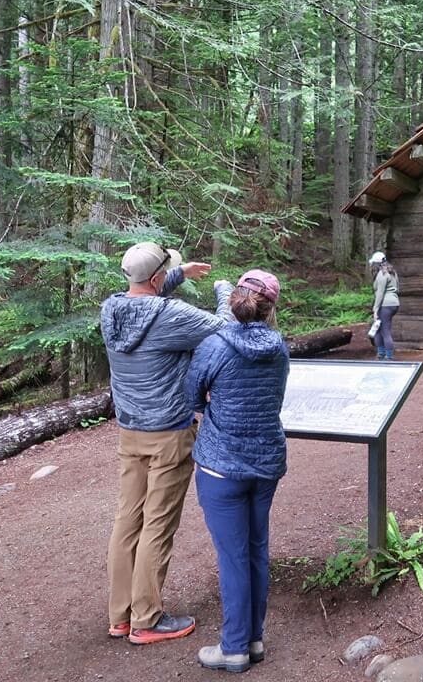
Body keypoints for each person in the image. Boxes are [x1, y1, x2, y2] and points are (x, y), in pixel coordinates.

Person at [100, 242, 234, 645]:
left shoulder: (110, 310)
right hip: (169, 434)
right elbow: (224, 327)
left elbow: (145, 295)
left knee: (128, 522)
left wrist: (180, 273)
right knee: (158, 524)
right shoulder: (171, 314)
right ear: (157, 278)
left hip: (130, 433)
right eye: (166, 273)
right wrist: (224, 291)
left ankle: (120, 616)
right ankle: (146, 619)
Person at [185, 270, 290, 673]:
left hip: (220, 467)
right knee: (256, 549)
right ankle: (254, 639)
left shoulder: (213, 345)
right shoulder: (279, 346)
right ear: (270, 307)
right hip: (266, 463)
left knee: (233, 556)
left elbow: (192, 395)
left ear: (235, 302)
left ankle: (233, 648)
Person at [369, 251, 400, 360]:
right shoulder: (392, 272)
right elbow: (397, 288)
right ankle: (381, 353)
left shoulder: (381, 274)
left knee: (385, 331)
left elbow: (380, 293)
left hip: (385, 305)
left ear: (376, 264)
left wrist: (375, 309)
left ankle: (389, 356)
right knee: (378, 329)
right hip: (394, 303)